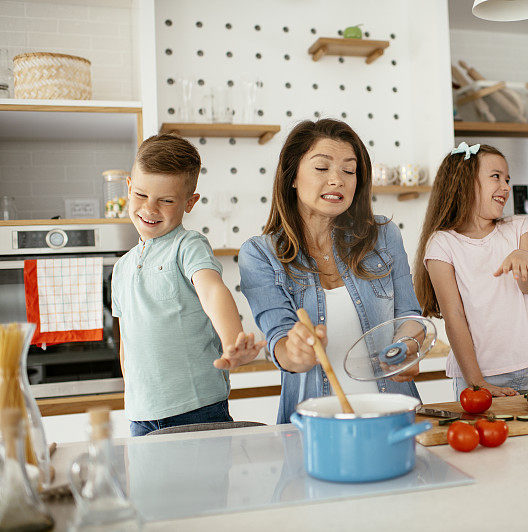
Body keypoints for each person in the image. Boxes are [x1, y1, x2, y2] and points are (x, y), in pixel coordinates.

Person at [235, 119, 423, 424]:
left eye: (349, 171)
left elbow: (410, 316)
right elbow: (280, 344)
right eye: (322, 168)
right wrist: (296, 351)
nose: (337, 179)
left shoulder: (383, 234)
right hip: (313, 426)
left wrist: (408, 346)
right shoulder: (260, 254)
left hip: (394, 415)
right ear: (292, 176)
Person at [112, 134, 265, 436]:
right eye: (141, 195)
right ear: (129, 188)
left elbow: (212, 290)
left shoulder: (188, 245)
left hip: (197, 408)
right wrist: (132, 392)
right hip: (141, 414)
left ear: (189, 202)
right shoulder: (121, 267)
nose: (150, 208)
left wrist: (232, 340)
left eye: (166, 200)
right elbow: (126, 340)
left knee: (202, 485)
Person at [415, 142, 528, 399]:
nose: (506, 187)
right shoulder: (442, 243)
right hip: (474, 374)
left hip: (526, 367)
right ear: (464, 183)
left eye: (508, 179)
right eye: (496, 177)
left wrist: (524, 259)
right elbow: (454, 317)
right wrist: (477, 382)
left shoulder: (520, 227)